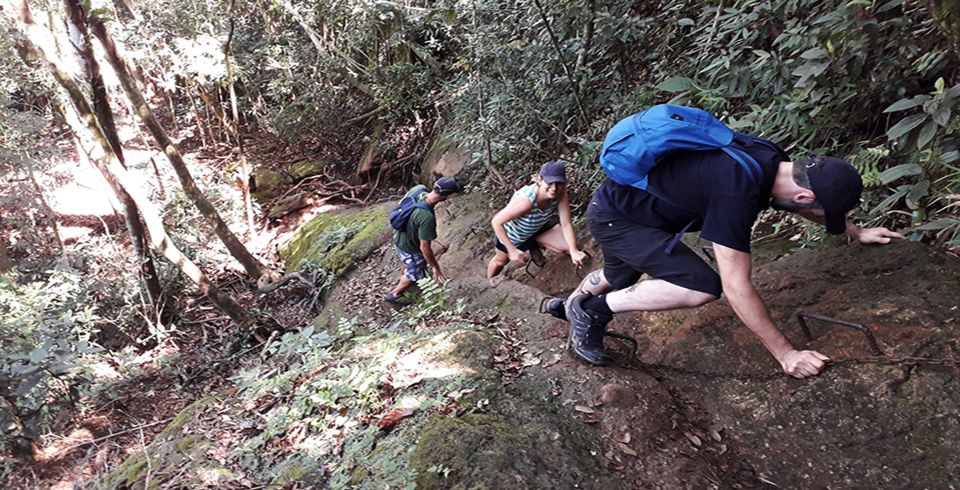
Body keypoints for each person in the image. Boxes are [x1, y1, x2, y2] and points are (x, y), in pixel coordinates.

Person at [551, 137, 902, 378]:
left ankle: (570, 306)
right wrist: (786, 354)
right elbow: (737, 288)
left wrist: (856, 231)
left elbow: (804, 203)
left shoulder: (770, 158)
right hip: (622, 218)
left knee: (619, 276)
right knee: (702, 286)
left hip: (623, 205)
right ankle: (590, 312)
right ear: (804, 193)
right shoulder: (737, 196)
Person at [487, 162, 587, 285]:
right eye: (549, 182)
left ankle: (534, 243)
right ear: (539, 180)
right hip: (514, 235)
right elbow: (496, 222)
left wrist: (573, 250)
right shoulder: (526, 202)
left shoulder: (560, 193)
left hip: (539, 226)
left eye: (558, 183)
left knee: (567, 247)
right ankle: (486, 284)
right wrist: (512, 250)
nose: (554, 187)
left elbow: (566, 223)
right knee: (500, 261)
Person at [385, 176, 462, 305]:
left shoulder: (418, 189)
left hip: (399, 235)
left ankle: (405, 269)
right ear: (446, 197)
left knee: (407, 261)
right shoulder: (426, 217)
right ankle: (395, 294)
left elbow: (402, 204)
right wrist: (435, 267)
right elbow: (424, 248)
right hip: (409, 246)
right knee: (415, 269)